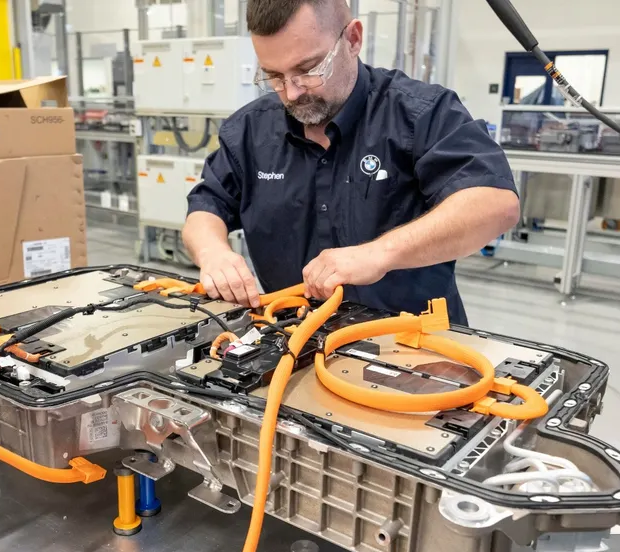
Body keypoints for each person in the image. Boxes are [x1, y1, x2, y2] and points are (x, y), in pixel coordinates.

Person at [182, 0, 520, 325]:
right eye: (274, 76)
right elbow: (206, 205)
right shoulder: (248, 130)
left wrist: (378, 254)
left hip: (410, 345)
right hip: (293, 340)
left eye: (308, 69)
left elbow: (495, 204)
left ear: (353, 40)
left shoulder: (420, 113)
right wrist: (213, 253)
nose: (292, 93)